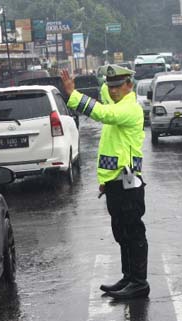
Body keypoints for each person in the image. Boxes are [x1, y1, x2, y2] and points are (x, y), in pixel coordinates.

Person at [62, 65, 150, 300]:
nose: (112, 91)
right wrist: (105, 182)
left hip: (128, 182)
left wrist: (73, 94)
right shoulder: (117, 103)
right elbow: (104, 95)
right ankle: (128, 277)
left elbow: (103, 113)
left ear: (129, 85)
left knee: (133, 232)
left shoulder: (130, 109)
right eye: (110, 87)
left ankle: (139, 282)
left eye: (117, 86)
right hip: (115, 182)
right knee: (121, 232)